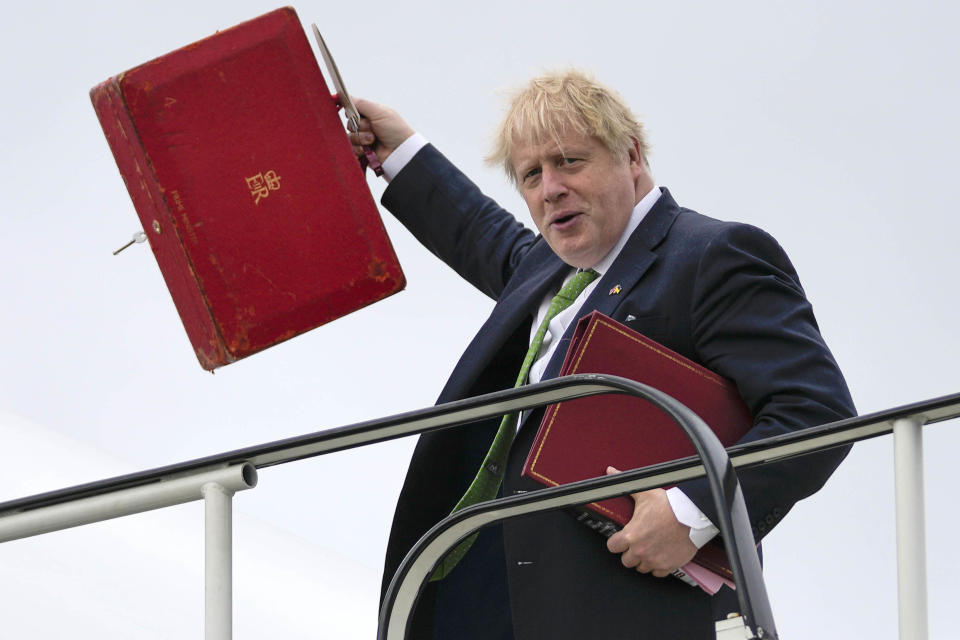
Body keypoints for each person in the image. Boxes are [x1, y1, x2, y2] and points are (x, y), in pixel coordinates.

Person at [349, 70, 855, 639]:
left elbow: (818, 414)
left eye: (569, 162)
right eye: (531, 175)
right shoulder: (548, 268)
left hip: (624, 610)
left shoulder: (712, 255)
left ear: (632, 155)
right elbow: (480, 233)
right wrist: (399, 154)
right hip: (483, 603)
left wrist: (695, 512)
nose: (550, 189)